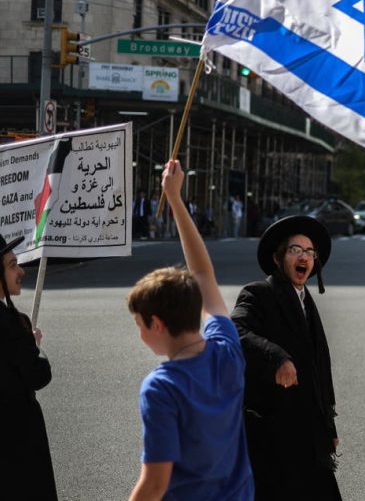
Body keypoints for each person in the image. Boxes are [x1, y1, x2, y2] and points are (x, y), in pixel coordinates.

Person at [127, 159, 253, 500]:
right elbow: (203, 275)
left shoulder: (162, 387)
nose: (139, 333)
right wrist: (176, 198)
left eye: (139, 324)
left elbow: (155, 483)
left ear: (157, 324)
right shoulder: (227, 349)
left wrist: (173, 196)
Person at [231, 215, 341, 499]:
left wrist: (329, 426)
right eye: (296, 250)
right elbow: (234, 330)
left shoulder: (306, 301)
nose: (304, 257)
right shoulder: (258, 294)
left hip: (309, 435)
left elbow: (319, 370)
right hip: (272, 435)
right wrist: (276, 357)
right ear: (278, 258)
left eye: (310, 252)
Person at [0, 226, 57, 499]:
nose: (21, 272)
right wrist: (35, 346)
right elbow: (39, 375)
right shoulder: (12, 324)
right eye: (13, 265)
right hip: (18, 451)